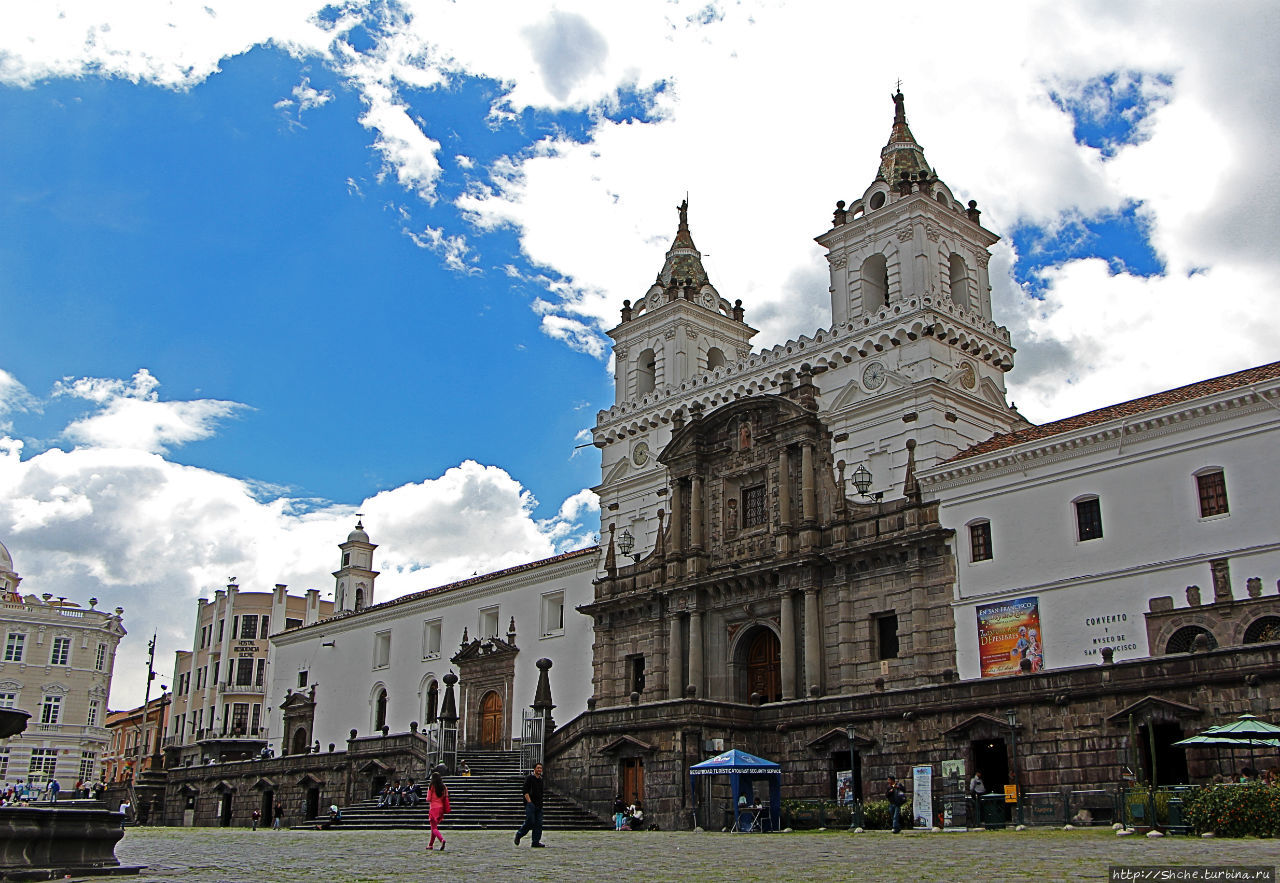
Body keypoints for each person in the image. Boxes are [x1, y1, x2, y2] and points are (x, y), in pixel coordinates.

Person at [514, 762, 545, 848]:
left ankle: (535, 841)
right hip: (530, 804)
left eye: (540, 768)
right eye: (538, 768)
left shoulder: (540, 780)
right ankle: (519, 834)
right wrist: (529, 802)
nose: (539, 770)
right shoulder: (529, 778)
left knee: (538, 824)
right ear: (534, 769)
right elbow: (525, 791)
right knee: (530, 821)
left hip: (539, 804)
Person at [427, 769, 450, 851]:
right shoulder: (444, 787)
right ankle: (430, 845)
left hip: (433, 808)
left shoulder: (432, 786)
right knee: (434, 827)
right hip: (440, 808)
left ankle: (441, 839)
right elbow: (445, 797)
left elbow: (428, 798)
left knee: (434, 828)